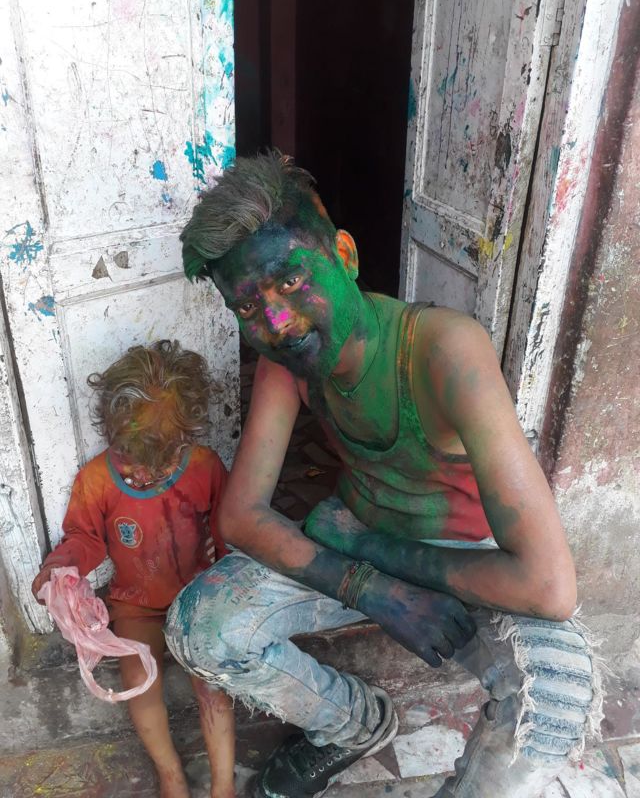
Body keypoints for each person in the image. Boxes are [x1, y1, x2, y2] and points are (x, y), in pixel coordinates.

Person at [165, 151, 602, 798]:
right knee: (199, 625)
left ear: (343, 255)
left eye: (291, 280)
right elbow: (240, 516)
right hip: (357, 548)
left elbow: (548, 586)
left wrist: (369, 551)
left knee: (558, 697)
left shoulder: (445, 349)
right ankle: (353, 725)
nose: (277, 323)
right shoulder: (287, 364)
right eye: (248, 306)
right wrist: (369, 586)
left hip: (463, 563)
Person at [32, 340, 236, 798]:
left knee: (213, 685)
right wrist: (60, 567)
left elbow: (228, 529)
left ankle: (224, 786)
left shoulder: (204, 467)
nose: (144, 475)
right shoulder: (96, 480)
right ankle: (171, 774)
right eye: (132, 456)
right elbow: (85, 538)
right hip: (136, 604)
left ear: (187, 435)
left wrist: (231, 584)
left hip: (199, 597)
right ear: (111, 431)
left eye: (161, 461)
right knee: (139, 683)